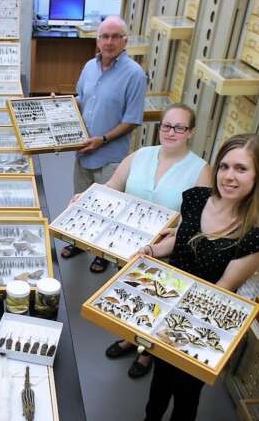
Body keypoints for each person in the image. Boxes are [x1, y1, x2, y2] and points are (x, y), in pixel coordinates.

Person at [137, 134, 259, 421]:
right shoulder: (196, 198)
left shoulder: (254, 238)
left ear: (258, 176)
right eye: (224, 167)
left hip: (200, 323)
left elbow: (221, 289)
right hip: (168, 305)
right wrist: (151, 249)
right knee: (159, 384)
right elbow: (181, 239)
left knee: (186, 394)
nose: (229, 176)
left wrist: (172, 322)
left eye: (241, 169)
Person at [87, 103, 212, 378]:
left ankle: (147, 353)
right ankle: (129, 339)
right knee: (130, 296)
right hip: (128, 248)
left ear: (190, 132)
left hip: (166, 254)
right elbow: (111, 187)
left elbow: (201, 220)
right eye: (167, 126)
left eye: (180, 128)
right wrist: (85, 199)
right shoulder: (141, 155)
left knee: (155, 303)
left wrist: (177, 231)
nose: (171, 132)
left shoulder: (201, 170)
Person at [62, 15, 147, 273]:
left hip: (110, 155)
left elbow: (132, 120)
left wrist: (103, 140)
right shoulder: (90, 66)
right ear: (97, 40)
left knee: (108, 206)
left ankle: (102, 253)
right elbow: (81, 98)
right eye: (104, 36)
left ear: (125, 41)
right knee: (81, 199)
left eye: (115, 36)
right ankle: (78, 241)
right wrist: (59, 106)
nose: (109, 42)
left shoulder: (134, 74)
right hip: (83, 151)